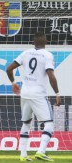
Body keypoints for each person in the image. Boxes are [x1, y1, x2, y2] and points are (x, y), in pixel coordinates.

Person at [6, 32, 61, 162]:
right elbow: (51, 75)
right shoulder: (47, 55)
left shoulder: (26, 53)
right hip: (38, 94)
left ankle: (23, 155)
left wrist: (13, 83)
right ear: (46, 42)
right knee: (49, 124)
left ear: (33, 42)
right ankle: (41, 151)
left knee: (26, 123)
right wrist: (57, 93)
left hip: (25, 92)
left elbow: (9, 69)